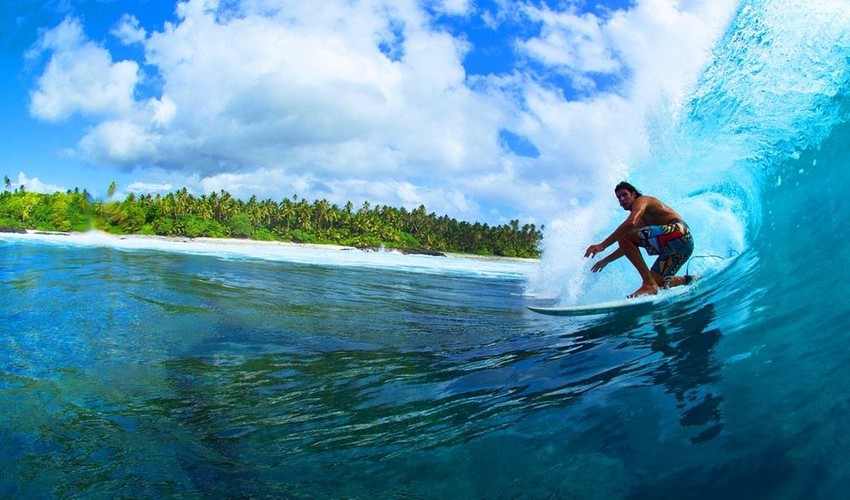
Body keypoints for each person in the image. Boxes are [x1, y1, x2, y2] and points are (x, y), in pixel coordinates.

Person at [584, 181, 694, 298]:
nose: (621, 199)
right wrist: (606, 260)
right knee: (657, 281)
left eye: (624, 195)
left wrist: (602, 245)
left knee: (624, 235)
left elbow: (630, 224)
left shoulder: (642, 200)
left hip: (678, 231)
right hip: (685, 246)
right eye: (618, 197)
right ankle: (688, 280)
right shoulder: (641, 221)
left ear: (634, 194)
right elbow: (626, 247)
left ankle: (648, 284)